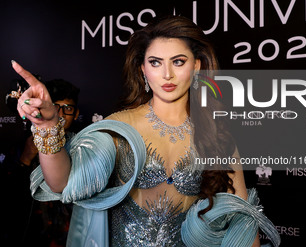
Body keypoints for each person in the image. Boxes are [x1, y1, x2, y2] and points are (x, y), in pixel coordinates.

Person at [11, 15, 280, 247]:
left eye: (178, 62)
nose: (167, 75)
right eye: (155, 62)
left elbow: (243, 228)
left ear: (196, 66)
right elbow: (62, 183)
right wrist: (46, 126)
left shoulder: (218, 136)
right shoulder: (120, 127)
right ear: (142, 69)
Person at [1, 78, 80, 246]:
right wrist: (25, 159)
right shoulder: (23, 147)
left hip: (69, 235)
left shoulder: (83, 147)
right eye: (55, 107)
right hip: (29, 234)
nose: (61, 114)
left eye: (68, 109)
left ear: (76, 114)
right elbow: (7, 195)